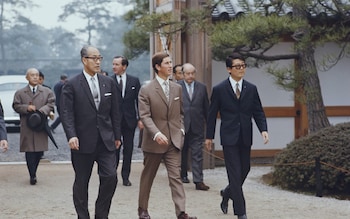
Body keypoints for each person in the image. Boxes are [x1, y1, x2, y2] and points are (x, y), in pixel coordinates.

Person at [60, 45, 121, 219]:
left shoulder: (108, 82)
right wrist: (71, 135)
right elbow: (66, 113)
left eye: (100, 58)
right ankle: (83, 216)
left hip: (106, 140)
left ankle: (101, 215)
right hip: (81, 141)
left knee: (110, 177)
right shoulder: (71, 84)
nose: (98, 61)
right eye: (94, 58)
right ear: (84, 60)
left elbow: (115, 111)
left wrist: (117, 135)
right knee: (81, 181)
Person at [205, 53, 269, 219]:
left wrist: (263, 129)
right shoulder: (219, 89)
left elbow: (258, 111)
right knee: (234, 172)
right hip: (228, 136)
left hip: (245, 135)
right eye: (237, 66)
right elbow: (212, 115)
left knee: (245, 168)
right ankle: (241, 212)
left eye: (243, 66)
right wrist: (209, 137)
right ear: (229, 69)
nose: (241, 69)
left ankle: (227, 192)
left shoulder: (251, 88)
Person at [137, 52, 197, 219]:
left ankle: (181, 212)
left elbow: (181, 114)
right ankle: (143, 209)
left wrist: (181, 130)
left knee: (176, 177)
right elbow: (145, 116)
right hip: (153, 142)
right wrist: (156, 133)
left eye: (171, 63)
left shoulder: (177, 87)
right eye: (167, 63)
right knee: (148, 177)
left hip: (174, 141)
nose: (171, 66)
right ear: (157, 66)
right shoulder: (146, 90)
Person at [12, 68, 55, 185]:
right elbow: (15, 106)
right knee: (29, 150)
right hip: (27, 125)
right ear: (27, 78)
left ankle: (34, 171)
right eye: (32, 75)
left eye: (36, 75)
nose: (35, 77)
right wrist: (26, 108)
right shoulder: (20, 93)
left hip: (41, 126)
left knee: (38, 151)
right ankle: (32, 175)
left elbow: (51, 103)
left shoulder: (47, 91)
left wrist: (42, 110)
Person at [111, 55, 142, 186]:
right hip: (114, 121)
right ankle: (112, 176)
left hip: (129, 120)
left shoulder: (134, 81)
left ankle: (125, 176)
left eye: (117, 64)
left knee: (128, 149)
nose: (114, 67)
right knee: (114, 149)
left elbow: (139, 102)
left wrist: (141, 118)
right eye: (113, 64)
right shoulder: (109, 80)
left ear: (124, 66)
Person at [178, 63, 210, 190]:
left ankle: (198, 180)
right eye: (188, 73)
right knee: (181, 152)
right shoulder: (177, 87)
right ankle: (182, 175)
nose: (190, 76)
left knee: (197, 153)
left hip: (197, 125)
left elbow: (206, 108)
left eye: (192, 73)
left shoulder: (202, 87)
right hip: (181, 125)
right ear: (183, 74)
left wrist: (209, 129)